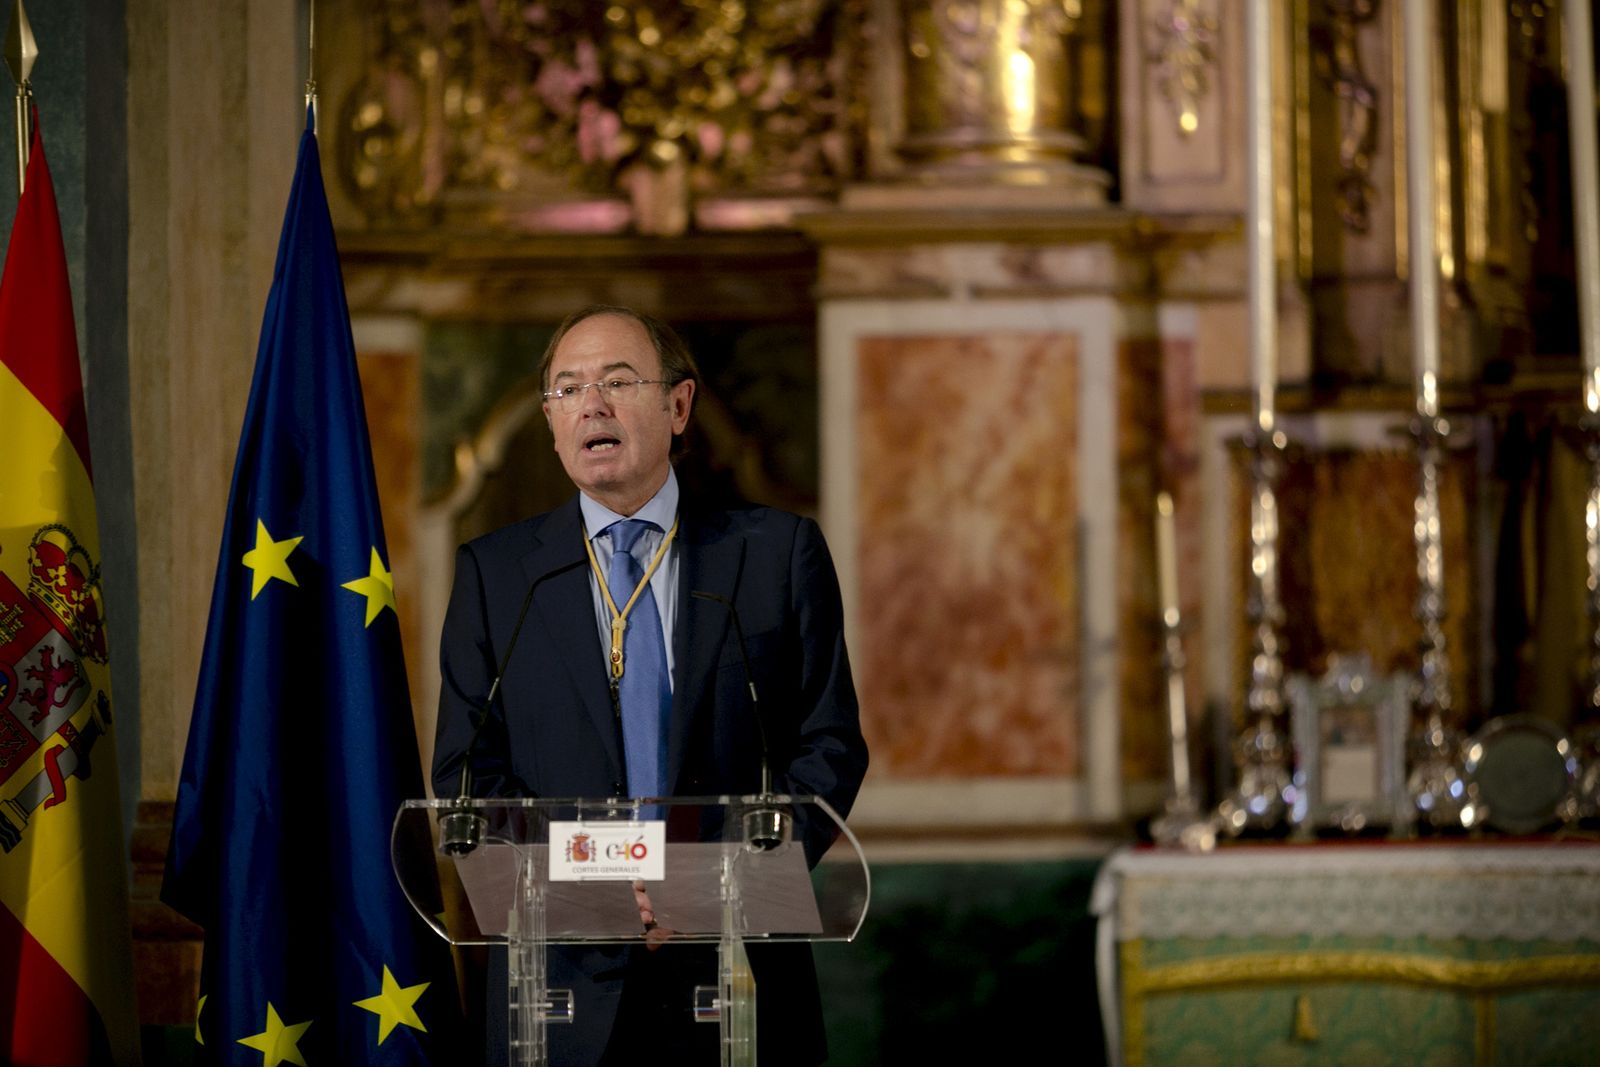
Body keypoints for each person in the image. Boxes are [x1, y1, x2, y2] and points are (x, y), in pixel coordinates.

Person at [433, 304, 868, 1066]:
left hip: (737, 979)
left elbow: (828, 746)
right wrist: (601, 890)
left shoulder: (773, 557)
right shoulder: (498, 577)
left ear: (678, 405)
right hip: (558, 993)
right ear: (549, 420)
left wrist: (706, 888)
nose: (590, 404)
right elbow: (467, 777)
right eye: (566, 390)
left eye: (617, 381)